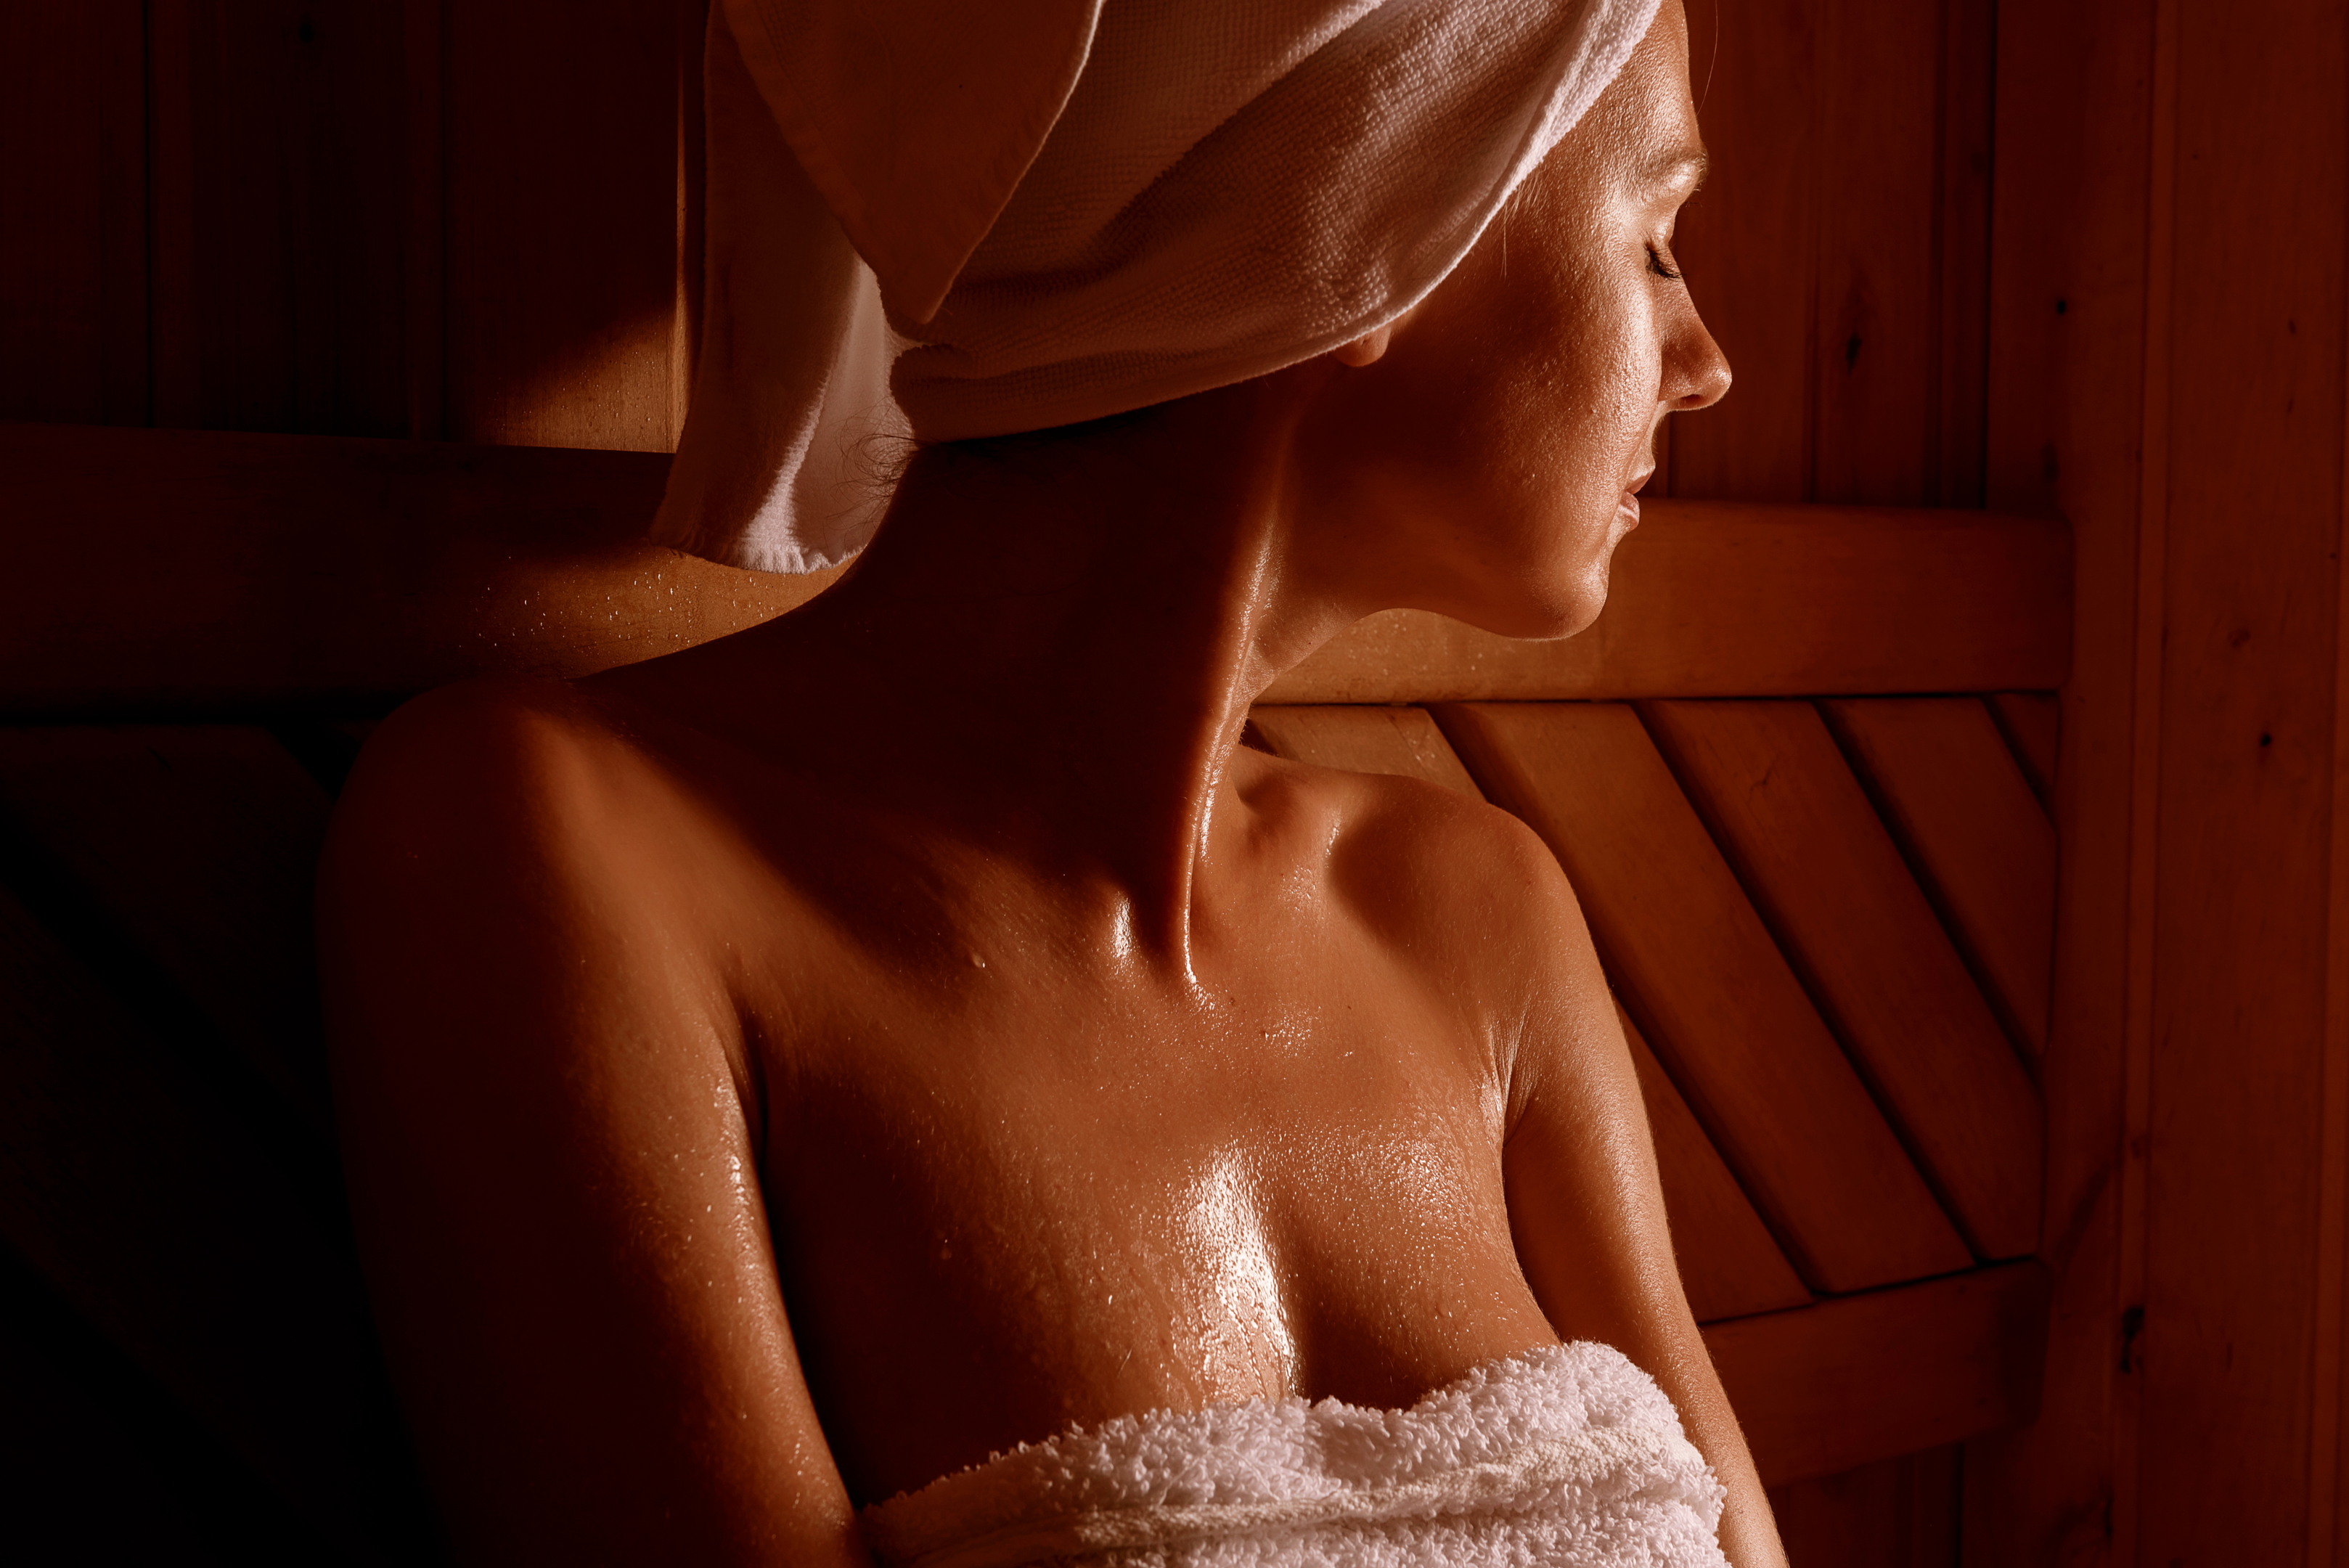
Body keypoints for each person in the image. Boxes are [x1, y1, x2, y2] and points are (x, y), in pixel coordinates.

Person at [318, 0, 1778, 1561]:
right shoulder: (556, 851)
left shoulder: (1477, 912)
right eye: (1655, 241)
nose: (1706, 366)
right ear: (1380, 231)